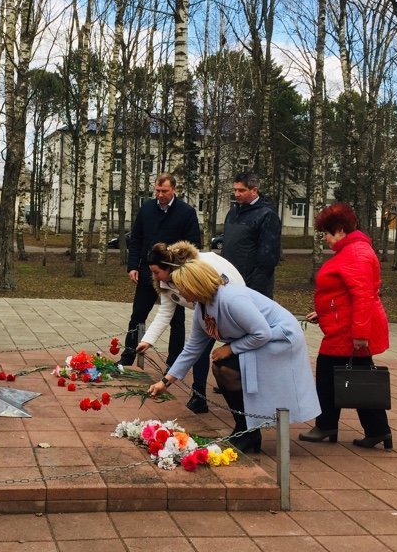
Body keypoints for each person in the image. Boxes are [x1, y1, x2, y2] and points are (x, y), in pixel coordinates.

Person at [147, 259, 320, 453]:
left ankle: (248, 431)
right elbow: (193, 347)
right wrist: (166, 381)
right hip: (259, 338)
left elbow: (263, 333)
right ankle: (245, 429)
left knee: (227, 368)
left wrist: (231, 348)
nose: (179, 293)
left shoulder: (232, 299)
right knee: (221, 368)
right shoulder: (202, 306)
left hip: (280, 339)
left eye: (182, 287)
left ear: (195, 285)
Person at [299, 203, 392, 449]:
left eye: (327, 234)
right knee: (358, 376)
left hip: (350, 330)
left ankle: (328, 425)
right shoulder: (355, 251)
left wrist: (360, 334)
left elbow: (362, 295)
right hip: (347, 326)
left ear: (340, 230)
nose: (326, 239)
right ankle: (377, 429)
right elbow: (344, 293)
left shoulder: (355, 254)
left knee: (330, 375)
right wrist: (323, 312)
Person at [123, 174, 202, 412]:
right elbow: (135, 239)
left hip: (174, 275)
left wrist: (182, 273)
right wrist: (133, 265)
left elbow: (193, 244)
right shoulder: (147, 208)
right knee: (138, 314)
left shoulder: (186, 212)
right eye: (157, 191)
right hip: (148, 270)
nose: (160, 195)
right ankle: (128, 355)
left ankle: (173, 362)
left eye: (164, 191)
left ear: (174, 190)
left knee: (175, 320)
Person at [135, 241, 245, 414]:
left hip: (227, 306)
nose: (154, 277)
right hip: (203, 310)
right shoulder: (166, 282)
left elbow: (223, 291)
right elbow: (165, 312)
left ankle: (236, 399)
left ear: (168, 268)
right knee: (197, 350)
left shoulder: (199, 269)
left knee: (218, 355)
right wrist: (147, 341)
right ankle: (199, 396)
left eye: (156, 272)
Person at [221, 172, 281, 298]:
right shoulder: (232, 213)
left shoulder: (267, 215)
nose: (236, 194)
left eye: (241, 190)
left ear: (254, 190)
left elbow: (268, 258)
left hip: (252, 287)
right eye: (235, 190)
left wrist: (255, 289)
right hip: (229, 281)